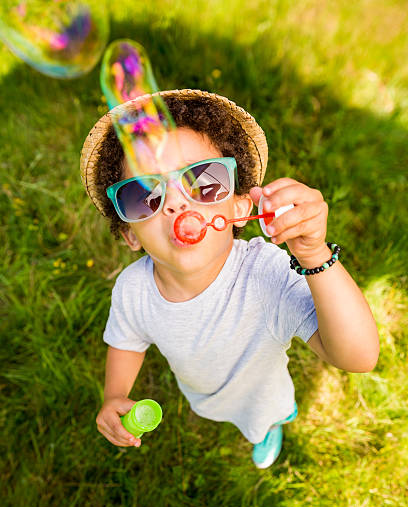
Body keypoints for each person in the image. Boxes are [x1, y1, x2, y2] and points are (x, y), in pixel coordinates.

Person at [80, 89, 379, 469]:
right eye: (144, 195)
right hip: (201, 392)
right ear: (131, 235)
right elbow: (127, 341)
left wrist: (314, 255)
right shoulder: (133, 289)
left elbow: (358, 356)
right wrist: (114, 394)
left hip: (262, 394)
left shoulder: (265, 274)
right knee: (215, 409)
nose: (176, 202)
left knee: (263, 418)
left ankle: (271, 427)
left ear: (239, 210)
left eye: (203, 181)